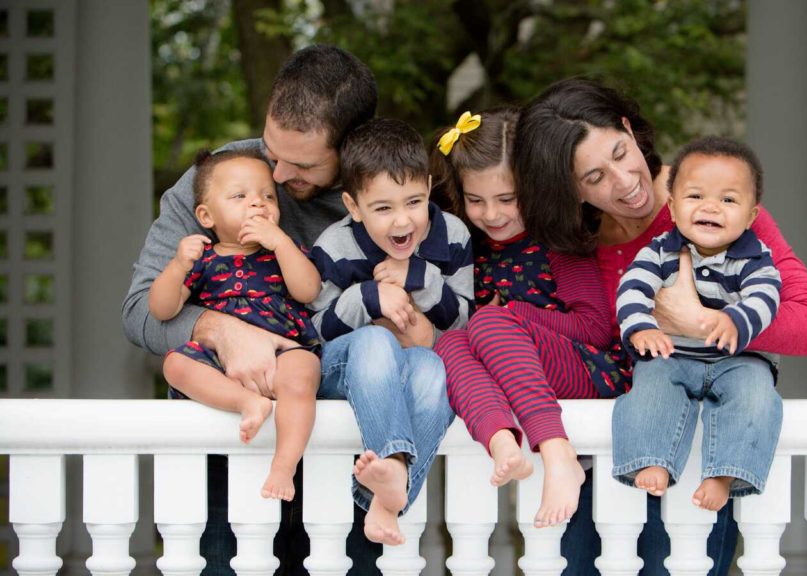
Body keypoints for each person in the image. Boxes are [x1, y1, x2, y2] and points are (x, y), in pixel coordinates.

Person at [514, 78, 807, 576]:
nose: (624, 181)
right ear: (570, 188)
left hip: (695, 463)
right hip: (598, 457)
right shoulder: (572, 242)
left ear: (628, 127)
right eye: (595, 177)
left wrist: (704, 321)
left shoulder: (716, 205)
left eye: (622, 153)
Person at [122, 45, 387, 575]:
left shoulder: (389, 192)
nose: (278, 172)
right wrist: (219, 328)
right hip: (228, 444)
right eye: (272, 149)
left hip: (347, 446)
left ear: (351, 146)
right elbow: (140, 311)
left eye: (303, 164)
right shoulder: (224, 179)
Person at [430, 108, 623, 528]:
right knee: (448, 343)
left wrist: (512, 313)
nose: (492, 214)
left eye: (506, 199)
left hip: (586, 367)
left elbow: (597, 331)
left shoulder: (558, 239)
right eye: (475, 201)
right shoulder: (469, 246)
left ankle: (557, 452)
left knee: (484, 323)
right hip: (517, 374)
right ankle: (502, 440)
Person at [309, 116, 472, 545]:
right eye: (383, 208)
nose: (402, 222)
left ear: (430, 188)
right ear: (353, 206)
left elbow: (464, 323)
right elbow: (314, 332)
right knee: (377, 339)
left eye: (414, 202)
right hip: (345, 371)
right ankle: (393, 468)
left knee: (432, 368)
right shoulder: (334, 245)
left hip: (410, 367)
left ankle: (389, 490)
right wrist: (366, 297)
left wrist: (420, 274)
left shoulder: (453, 236)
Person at [613, 136, 783, 512]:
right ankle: (651, 457)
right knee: (650, 380)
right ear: (672, 207)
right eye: (695, 197)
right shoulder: (659, 251)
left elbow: (766, 296)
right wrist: (641, 326)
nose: (711, 207)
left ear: (752, 215)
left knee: (757, 395)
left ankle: (724, 473)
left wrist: (735, 318)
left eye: (728, 200)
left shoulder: (753, 256)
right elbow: (633, 288)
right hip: (674, 353)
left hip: (738, 361)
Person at [151, 149, 321, 502]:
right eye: (240, 196)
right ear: (206, 215)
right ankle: (246, 402)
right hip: (221, 360)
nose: (258, 204)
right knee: (174, 364)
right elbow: (162, 309)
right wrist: (178, 265)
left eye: (267, 196)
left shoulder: (282, 251)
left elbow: (308, 290)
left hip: (283, 346)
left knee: (305, 367)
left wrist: (281, 242)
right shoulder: (203, 260)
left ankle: (284, 465)